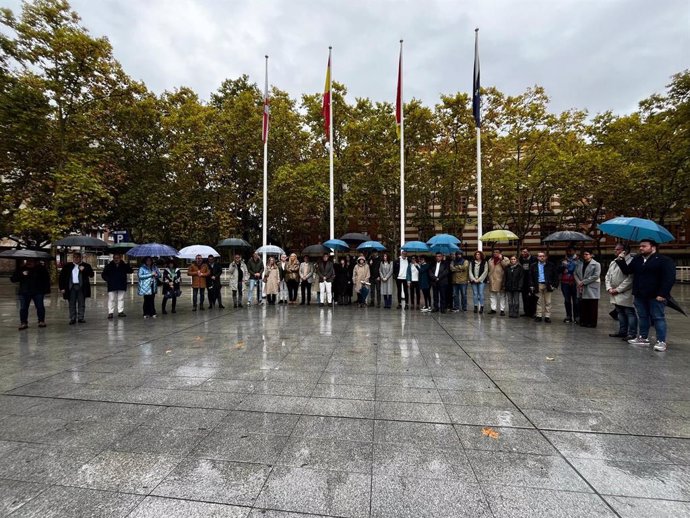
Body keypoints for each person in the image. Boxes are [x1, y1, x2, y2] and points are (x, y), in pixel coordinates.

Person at [617, 239, 675, 352]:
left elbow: (669, 278)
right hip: (640, 294)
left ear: (653, 247)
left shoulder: (664, 260)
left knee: (658, 317)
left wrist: (662, 293)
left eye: (644, 246)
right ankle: (643, 338)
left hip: (656, 295)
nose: (641, 248)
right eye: (640, 246)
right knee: (643, 317)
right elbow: (627, 271)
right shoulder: (637, 259)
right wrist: (621, 259)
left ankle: (661, 341)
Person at [605, 244, 637, 340]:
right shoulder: (614, 261)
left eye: (618, 249)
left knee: (629, 312)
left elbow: (630, 279)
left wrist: (618, 289)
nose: (615, 251)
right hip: (613, 290)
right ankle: (622, 331)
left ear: (625, 251)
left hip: (625, 291)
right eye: (615, 249)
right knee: (620, 312)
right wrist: (609, 288)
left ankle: (632, 333)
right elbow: (607, 276)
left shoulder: (631, 261)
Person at [11, 258, 51, 330]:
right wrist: (22, 274)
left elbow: (46, 279)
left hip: (38, 291)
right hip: (24, 292)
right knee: (23, 308)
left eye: (31, 261)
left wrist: (46, 290)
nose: (29, 263)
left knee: (40, 307)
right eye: (28, 261)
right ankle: (23, 323)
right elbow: (13, 279)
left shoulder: (41, 269)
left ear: (35, 262)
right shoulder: (21, 269)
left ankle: (41, 321)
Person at [58, 252, 94, 324]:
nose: (76, 258)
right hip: (71, 287)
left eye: (78, 257)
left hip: (81, 287)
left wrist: (84, 270)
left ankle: (81, 318)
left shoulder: (86, 265)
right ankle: (72, 318)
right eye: (74, 257)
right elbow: (61, 277)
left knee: (81, 303)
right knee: (71, 303)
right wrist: (62, 288)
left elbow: (91, 275)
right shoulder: (67, 266)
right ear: (72, 258)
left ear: (81, 258)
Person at [529, 251, 559, 323]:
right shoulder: (533, 265)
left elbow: (555, 276)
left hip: (548, 285)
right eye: (540, 256)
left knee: (548, 302)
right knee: (538, 301)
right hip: (538, 284)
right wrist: (531, 285)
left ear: (546, 257)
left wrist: (554, 285)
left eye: (543, 256)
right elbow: (530, 276)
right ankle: (539, 316)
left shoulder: (551, 265)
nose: (541, 257)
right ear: (537, 257)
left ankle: (547, 316)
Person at [101, 253, 133, 319]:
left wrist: (128, 265)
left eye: (117, 258)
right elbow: (103, 274)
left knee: (121, 299)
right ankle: (110, 312)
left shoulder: (124, 265)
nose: (116, 259)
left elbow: (130, 271)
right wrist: (108, 280)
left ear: (120, 258)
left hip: (121, 284)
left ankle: (120, 311)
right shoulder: (109, 265)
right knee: (111, 299)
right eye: (115, 258)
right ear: (113, 258)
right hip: (112, 285)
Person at [574, 250, 601, 328]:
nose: (585, 256)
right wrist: (579, 282)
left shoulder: (596, 264)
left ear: (591, 255)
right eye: (584, 254)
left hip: (591, 288)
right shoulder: (579, 264)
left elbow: (596, 275)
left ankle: (592, 322)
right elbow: (575, 273)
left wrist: (583, 282)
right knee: (583, 305)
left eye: (586, 254)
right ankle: (583, 321)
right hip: (581, 287)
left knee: (592, 306)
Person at [559, 247, 581, 323]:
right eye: (567, 250)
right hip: (565, 283)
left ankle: (577, 316)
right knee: (567, 300)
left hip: (575, 283)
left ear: (574, 251)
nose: (569, 252)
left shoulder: (578, 260)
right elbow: (558, 270)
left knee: (576, 300)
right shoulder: (563, 260)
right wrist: (562, 266)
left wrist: (568, 266)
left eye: (570, 250)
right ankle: (568, 316)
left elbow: (576, 270)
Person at [487, 249, 510, 316]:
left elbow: (506, 266)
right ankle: (493, 309)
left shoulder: (505, 259)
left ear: (500, 253)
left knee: (502, 295)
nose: (495, 253)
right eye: (494, 252)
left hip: (501, 279)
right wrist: (489, 277)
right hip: (492, 279)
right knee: (492, 295)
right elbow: (489, 269)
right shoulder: (490, 260)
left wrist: (501, 259)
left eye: (497, 252)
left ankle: (502, 310)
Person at [518, 248, 538, 317]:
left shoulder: (534, 259)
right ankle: (526, 312)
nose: (523, 253)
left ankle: (533, 312)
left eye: (525, 252)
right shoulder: (521, 259)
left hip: (531, 280)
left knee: (532, 297)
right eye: (522, 252)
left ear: (529, 252)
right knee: (524, 297)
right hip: (524, 281)